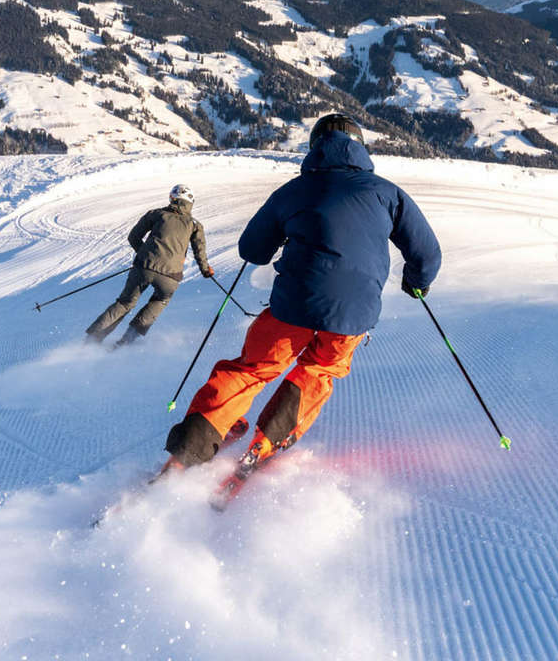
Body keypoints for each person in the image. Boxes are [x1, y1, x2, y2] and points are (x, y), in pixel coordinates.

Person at [163, 114, 441, 472]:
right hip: (353, 314)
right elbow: (427, 252)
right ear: (361, 147)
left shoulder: (293, 191)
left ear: (315, 148)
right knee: (319, 369)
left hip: (291, 307)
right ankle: (264, 445)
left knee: (252, 369)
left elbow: (252, 249)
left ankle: (192, 445)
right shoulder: (388, 193)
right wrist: (417, 281)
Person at [85, 183, 213, 347]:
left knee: (125, 303)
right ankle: (126, 342)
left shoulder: (157, 214)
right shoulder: (195, 225)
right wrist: (205, 270)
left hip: (144, 268)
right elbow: (199, 251)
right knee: (160, 300)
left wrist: (145, 255)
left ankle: (92, 340)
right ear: (191, 202)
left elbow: (133, 237)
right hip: (170, 276)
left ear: (171, 198)